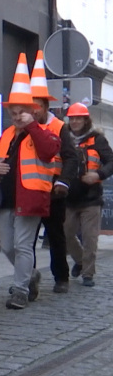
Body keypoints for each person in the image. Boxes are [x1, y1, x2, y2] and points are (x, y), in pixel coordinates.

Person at [0, 54, 60, 310]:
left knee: (22, 245)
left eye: (23, 112)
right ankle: (31, 275)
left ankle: (20, 290)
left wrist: (32, 127)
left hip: (30, 199)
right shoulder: (7, 134)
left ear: (34, 111)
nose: (18, 116)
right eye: (14, 112)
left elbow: (48, 151)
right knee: (7, 246)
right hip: (6, 199)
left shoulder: (46, 133)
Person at [30, 52, 79, 294]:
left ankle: (61, 277)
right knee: (26, 239)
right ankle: (29, 277)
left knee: (55, 236)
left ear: (46, 106)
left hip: (53, 191)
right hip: (29, 191)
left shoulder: (59, 127)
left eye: (35, 106)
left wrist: (64, 182)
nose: (32, 110)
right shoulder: (23, 128)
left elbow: (72, 157)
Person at [64, 103, 113, 287]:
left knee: (90, 237)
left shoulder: (97, 139)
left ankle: (88, 274)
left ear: (86, 119)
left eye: (79, 118)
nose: (75, 121)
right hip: (69, 197)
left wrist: (98, 175)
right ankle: (80, 261)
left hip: (91, 198)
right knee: (65, 234)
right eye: (72, 118)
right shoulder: (64, 139)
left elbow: (111, 162)